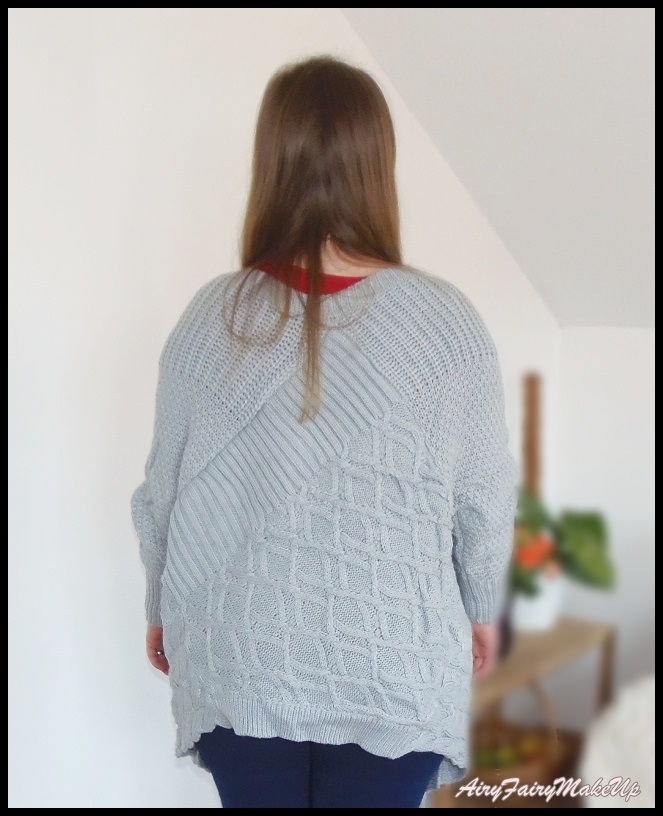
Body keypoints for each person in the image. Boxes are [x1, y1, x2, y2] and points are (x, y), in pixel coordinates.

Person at [132, 55, 517, 809]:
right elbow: (483, 498)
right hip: (393, 663)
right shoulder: (444, 325)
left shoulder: (213, 318)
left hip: (241, 655)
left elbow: (164, 493)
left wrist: (159, 606)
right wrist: (480, 607)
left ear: (271, 161)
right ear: (377, 165)